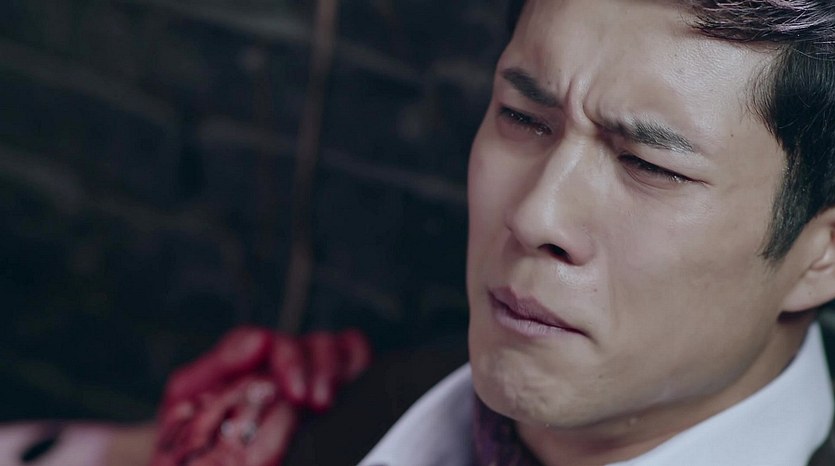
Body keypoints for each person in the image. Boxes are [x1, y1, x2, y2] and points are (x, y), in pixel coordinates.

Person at [359, 0, 835, 465]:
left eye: (649, 165)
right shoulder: (360, 406)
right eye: (522, 116)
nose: (534, 217)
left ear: (823, 254)